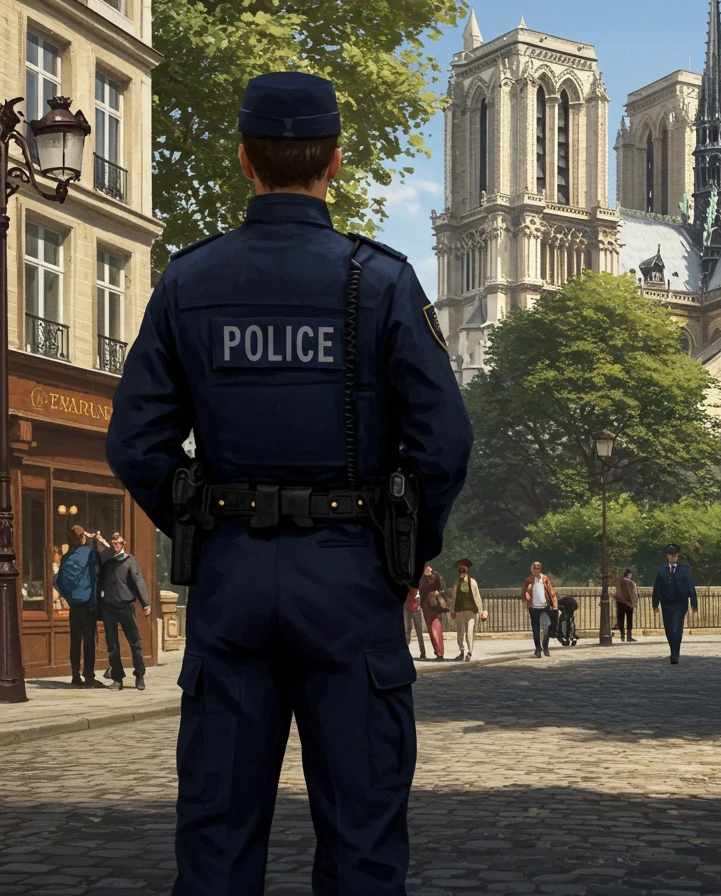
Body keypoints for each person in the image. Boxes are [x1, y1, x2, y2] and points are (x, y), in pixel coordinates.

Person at [103, 72, 472, 896]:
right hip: (350, 578)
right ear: (335, 162)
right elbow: (445, 442)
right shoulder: (380, 281)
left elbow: (135, 441)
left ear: (245, 160)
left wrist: (198, 518)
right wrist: (403, 550)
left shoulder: (188, 282)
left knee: (217, 839)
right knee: (364, 839)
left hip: (231, 577)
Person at [94, 531, 151, 690]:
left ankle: (139, 675)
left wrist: (145, 603)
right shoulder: (107, 562)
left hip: (126, 607)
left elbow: (139, 581)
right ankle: (118, 679)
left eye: (118, 542)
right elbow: (100, 581)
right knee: (112, 645)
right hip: (109, 608)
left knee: (135, 643)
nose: (116, 545)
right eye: (113, 543)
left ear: (123, 543)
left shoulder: (130, 561)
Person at [53, 525, 103, 688]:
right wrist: (96, 540)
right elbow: (104, 561)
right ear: (82, 538)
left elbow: (58, 582)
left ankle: (75, 675)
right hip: (89, 604)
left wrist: (69, 596)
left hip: (74, 607)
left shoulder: (66, 558)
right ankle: (88, 675)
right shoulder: (89, 554)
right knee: (89, 642)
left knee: (75, 642)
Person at [652, 543, 697, 664]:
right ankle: (673, 649)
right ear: (668, 556)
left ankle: (675, 653)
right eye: (672, 556)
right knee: (669, 629)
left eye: (676, 555)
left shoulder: (685, 570)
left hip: (680, 603)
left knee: (677, 628)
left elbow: (691, 587)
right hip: (666, 603)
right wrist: (655, 604)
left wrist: (694, 604)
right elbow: (657, 588)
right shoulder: (662, 571)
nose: (674, 558)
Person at [522, 561, 558, 658]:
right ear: (531, 569)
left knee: (546, 628)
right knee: (536, 629)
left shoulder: (545, 579)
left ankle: (545, 647)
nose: (536, 570)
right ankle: (538, 648)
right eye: (534, 568)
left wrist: (554, 604)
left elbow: (551, 591)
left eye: (538, 568)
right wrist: (527, 600)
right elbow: (524, 593)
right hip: (534, 608)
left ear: (540, 569)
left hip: (544, 607)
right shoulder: (528, 580)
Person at [451, 558, 485, 661]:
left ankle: (469, 652)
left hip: (471, 611)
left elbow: (477, 597)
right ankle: (461, 651)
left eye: (463, 571)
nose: (461, 573)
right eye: (460, 571)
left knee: (470, 632)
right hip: (460, 611)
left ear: (467, 571)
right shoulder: (457, 583)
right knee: (460, 633)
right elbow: (454, 598)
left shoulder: (473, 582)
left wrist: (481, 611)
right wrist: (453, 610)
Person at [418, 563, 447, 661]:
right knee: (431, 630)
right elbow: (419, 592)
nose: (428, 569)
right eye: (426, 567)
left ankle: (440, 652)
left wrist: (438, 593)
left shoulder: (437, 576)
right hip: (426, 607)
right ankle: (438, 651)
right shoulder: (421, 579)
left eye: (428, 567)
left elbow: (444, 589)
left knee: (436, 629)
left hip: (435, 606)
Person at [404, 582, 428, 660]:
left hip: (415, 607)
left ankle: (423, 652)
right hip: (408, 606)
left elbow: (422, 595)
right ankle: (406, 652)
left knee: (417, 632)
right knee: (408, 631)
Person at [615, 569, 638, 642]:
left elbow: (617, 592)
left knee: (621, 619)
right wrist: (634, 603)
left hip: (620, 603)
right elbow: (634, 593)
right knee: (629, 620)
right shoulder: (631, 583)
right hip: (628, 603)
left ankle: (622, 635)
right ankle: (629, 636)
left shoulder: (620, 582)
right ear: (629, 574)